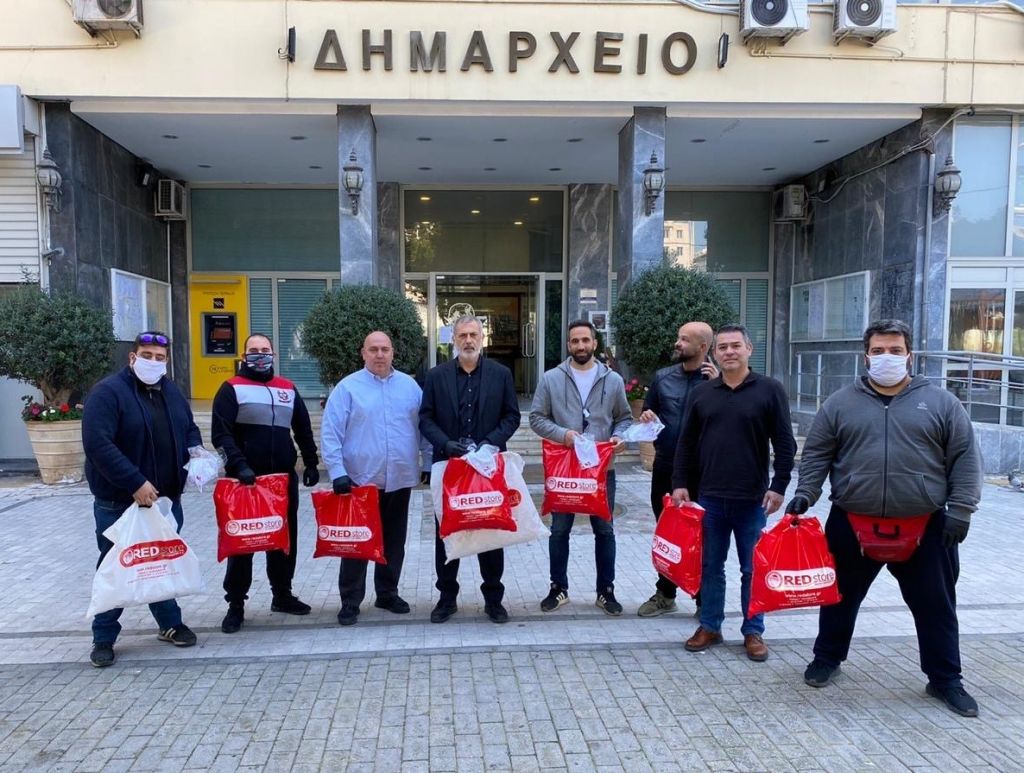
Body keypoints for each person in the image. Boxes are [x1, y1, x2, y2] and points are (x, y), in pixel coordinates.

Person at [786, 319, 983, 717]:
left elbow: (964, 457)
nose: (886, 357)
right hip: (852, 522)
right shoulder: (840, 403)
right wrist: (806, 493)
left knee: (936, 606)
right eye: (878, 351)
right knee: (838, 598)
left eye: (895, 350)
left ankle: (945, 679)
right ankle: (827, 658)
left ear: (910, 355)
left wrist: (961, 510)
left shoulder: (942, 403)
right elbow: (818, 454)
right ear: (866, 356)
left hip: (925, 525)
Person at [672, 323, 795, 662]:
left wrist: (779, 486)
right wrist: (680, 482)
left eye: (735, 346)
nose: (729, 352)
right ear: (713, 353)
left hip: (752, 500)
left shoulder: (769, 390)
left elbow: (785, 443)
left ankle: (753, 631)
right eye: (723, 347)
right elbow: (686, 443)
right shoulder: (702, 393)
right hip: (709, 498)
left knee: (752, 569)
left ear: (749, 349)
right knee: (711, 567)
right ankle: (710, 626)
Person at [82, 331, 202, 667]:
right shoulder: (108, 393)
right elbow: (98, 444)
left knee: (161, 563)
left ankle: (170, 623)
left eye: (159, 358)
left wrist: (196, 452)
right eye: (146, 355)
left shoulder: (171, 391)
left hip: (165, 501)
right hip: (120, 502)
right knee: (116, 567)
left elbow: (189, 427)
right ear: (132, 357)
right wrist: (135, 482)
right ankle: (103, 637)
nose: (153, 362)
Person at [212, 333, 320, 633]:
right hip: (245, 481)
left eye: (265, 350)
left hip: (281, 480)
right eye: (254, 350)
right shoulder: (231, 388)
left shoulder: (287, 388)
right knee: (242, 542)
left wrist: (311, 461)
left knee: (284, 539)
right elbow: (220, 435)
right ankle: (236, 604)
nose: (260, 355)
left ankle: (282, 594)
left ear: (273, 354)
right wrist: (238, 464)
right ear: (244, 355)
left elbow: (302, 428)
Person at [321, 331, 430, 626]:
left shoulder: (410, 387)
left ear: (393, 352)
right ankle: (350, 600)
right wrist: (337, 472)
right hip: (359, 481)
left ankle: (387, 593)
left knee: (394, 542)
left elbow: (424, 426)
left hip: (400, 478)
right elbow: (331, 433)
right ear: (363, 353)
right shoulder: (347, 388)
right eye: (373, 349)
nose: (380, 354)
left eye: (385, 349)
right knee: (356, 543)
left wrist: (429, 461)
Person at [419, 315, 521, 624]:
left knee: (490, 531)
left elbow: (512, 416)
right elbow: (425, 418)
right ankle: (447, 598)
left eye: (473, 335)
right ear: (453, 339)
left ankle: (493, 599)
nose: (468, 340)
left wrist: (490, 443)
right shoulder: (435, 376)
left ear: (482, 338)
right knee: (448, 533)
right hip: (450, 467)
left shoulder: (501, 374)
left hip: (487, 467)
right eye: (462, 335)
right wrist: (446, 444)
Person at [530, 319, 633, 616]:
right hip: (564, 469)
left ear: (595, 343)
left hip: (601, 470)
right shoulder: (551, 378)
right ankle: (558, 588)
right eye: (575, 341)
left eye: (585, 340)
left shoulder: (613, 380)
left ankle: (606, 591)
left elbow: (624, 418)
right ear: (568, 345)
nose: (580, 346)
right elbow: (536, 418)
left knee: (605, 530)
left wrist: (620, 436)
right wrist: (564, 435)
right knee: (559, 530)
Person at [637, 321, 717, 618]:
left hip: (704, 471)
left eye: (684, 339)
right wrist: (647, 417)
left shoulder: (718, 381)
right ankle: (665, 594)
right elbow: (649, 413)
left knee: (704, 536)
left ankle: (703, 599)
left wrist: (719, 386)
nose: (677, 343)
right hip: (666, 467)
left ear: (703, 347)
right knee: (667, 533)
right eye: (678, 338)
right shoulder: (663, 377)